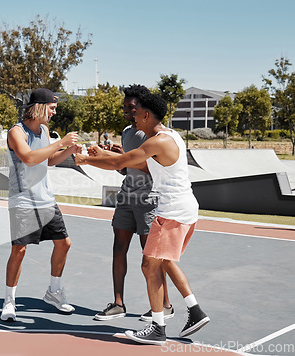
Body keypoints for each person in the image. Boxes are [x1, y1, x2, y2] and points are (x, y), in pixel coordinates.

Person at [75, 92, 209, 345]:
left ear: (147, 115)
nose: (132, 116)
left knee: (149, 265)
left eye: (136, 113)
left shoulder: (157, 142)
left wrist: (86, 159)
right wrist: (105, 155)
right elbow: (134, 163)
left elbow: (124, 162)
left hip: (171, 213)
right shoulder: (170, 136)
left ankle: (158, 326)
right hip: (184, 210)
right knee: (164, 261)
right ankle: (194, 310)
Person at [0, 88, 82, 322]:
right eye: (52, 107)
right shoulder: (16, 132)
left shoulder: (45, 130)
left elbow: (49, 161)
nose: (54, 112)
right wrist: (61, 143)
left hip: (46, 198)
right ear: (39, 107)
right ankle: (9, 301)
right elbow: (28, 157)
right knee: (19, 250)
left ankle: (54, 292)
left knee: (64, 243)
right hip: (23, 200)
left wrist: (69, 150)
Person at [94, 85, 173, 322]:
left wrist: (115, 159)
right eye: (125, 107)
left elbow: (154, 167)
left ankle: (166, 305)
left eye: (132, 107)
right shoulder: (128, 132)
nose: (127, 111)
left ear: (143, 109)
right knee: (119, 248)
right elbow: (127, 169)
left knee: (152, 256)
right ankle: (118, 304)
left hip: (149, 199)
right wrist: (117, 158)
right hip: (127, 196)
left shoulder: (153, 135)